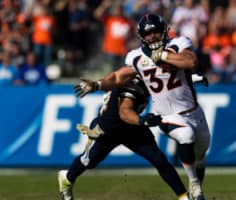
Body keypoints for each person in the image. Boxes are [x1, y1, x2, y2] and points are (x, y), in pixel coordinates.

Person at [74, 13, 211, 200]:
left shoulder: (178, 43)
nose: (152, 36)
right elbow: (117, 77)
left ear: (164, 31)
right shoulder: (135, 57)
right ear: (141, 37)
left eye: (155, 31)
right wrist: (96, 85)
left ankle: (198, 189)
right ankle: (193, 186)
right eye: (148, 34)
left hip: (194, 111)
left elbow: (190, 62)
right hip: (167, 115)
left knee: (201, 154)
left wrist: (163, 56)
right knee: (186, 136)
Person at [58, 76, 190, 200]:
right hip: (110, 130)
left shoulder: (150, 77)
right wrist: (143, 120)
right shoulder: (134, 83)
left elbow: (170, 81)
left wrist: (191, 79)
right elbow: (125, 113)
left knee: (159, 159)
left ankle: (184, 197)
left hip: (132, 129)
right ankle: (67, 178)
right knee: (88, 161)